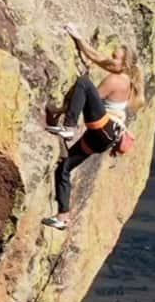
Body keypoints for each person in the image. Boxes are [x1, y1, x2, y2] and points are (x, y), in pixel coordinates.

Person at [41, 24, 145, 231]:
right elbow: (97, 57)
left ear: (125, 64)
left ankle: (69, 127)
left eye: (115, 57)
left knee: (84, 82)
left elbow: (88, 95)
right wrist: (78, 38)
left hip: (103, 128)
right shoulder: (125, 77)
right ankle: (63, 217)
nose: (111, 58)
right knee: (64, 168)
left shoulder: (117, 80)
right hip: (103, 137)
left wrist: (61, 112)